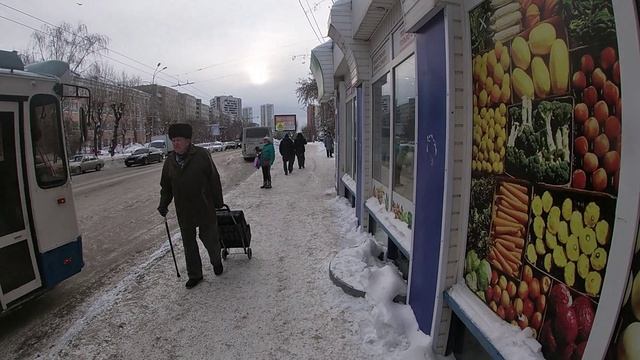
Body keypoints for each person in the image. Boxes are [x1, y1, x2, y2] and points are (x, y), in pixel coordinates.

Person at [157, 123, 224, 289]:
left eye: (178, 140)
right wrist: (163, 204)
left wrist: (218, 202)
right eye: (173, 140)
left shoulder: (201, 154)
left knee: (210, 239)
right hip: (184, 210)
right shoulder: (170, 161)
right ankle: (195, 274)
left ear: (188, 140)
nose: (175, 143)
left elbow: (214, 179)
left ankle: (216, 262)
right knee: (189, 244)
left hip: (204, 206)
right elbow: (166, 186)